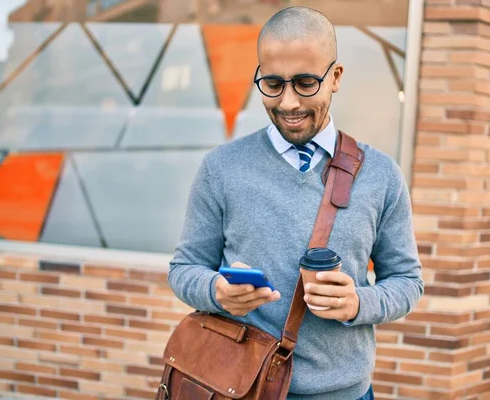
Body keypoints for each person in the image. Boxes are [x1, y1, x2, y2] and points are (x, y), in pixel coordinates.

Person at [168, 6, 424, 400]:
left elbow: (407, 282)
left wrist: (359, 302)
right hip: (242, 389)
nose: (287, 103)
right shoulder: (220, 168)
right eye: (272, 83)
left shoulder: (382, 175)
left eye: (305, 82)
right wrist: (216, 290)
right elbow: (184, 269)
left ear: (335, 77)